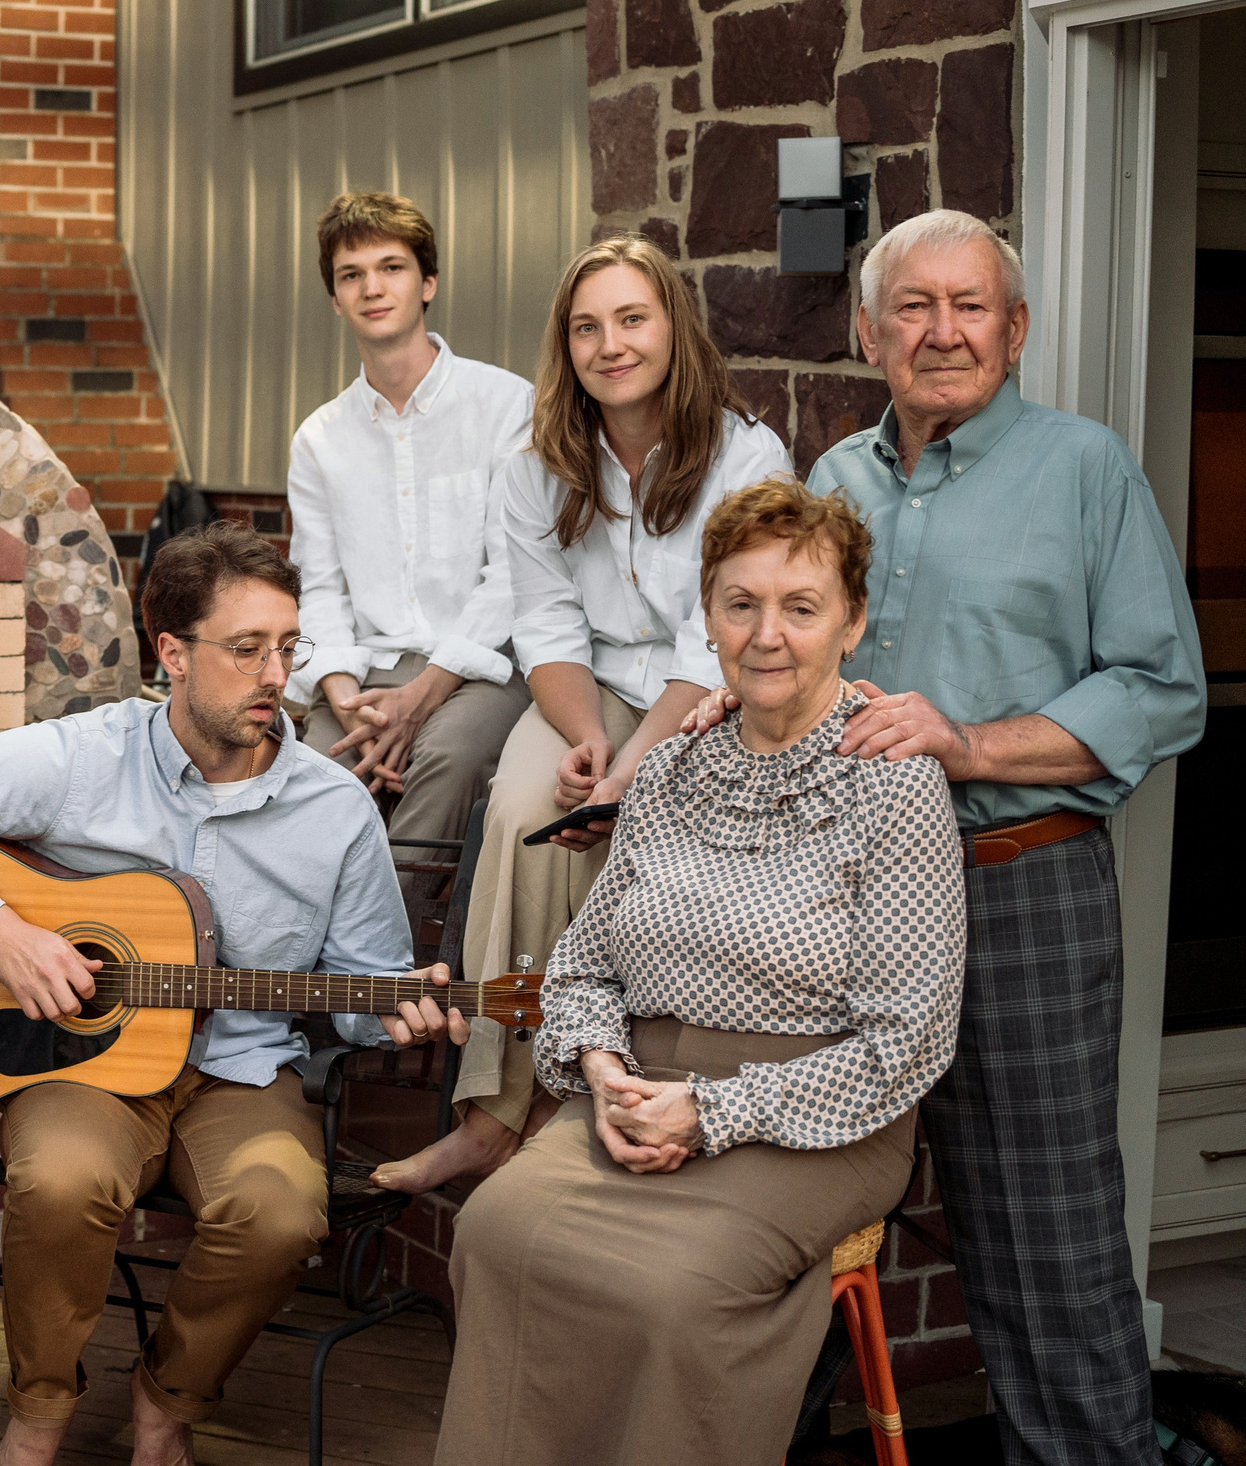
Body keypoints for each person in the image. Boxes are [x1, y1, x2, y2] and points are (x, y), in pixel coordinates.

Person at [683, 210, 1203, 1465]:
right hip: (836, 899)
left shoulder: (1084, 470)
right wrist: (742, 692)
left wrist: (965, 742)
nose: (943, 331)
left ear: (1014, 332)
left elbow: (1161, 687)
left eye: (971, 306)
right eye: (913, 307)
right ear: (868, 332)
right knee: (781, 1211)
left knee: (1044, 1232)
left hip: (1015, 889)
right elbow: (791, 644)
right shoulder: (833, 481)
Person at [0, 524, 468, 1466]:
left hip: (240, 1072)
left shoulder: (336, 807)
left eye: (287, 646)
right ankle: (40, 1407)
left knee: (280, 1212)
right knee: (60, 1179)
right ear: (171, 653)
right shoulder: (82, 757)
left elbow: (363, 987)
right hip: (85, 1067)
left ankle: (168, 1398)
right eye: (245, 649)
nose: (274, 673)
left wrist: (396, 1009)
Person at [431, 477, 966, 1466]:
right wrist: (598, 1070)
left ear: (849, 623)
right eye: (740, 604)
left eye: (800, 608)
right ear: (708, 620)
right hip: (639, 1088)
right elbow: (585, 969)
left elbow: (906, 1043)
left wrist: (714, 1114)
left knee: (671, 1294)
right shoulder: (672, 769)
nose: (767, 634)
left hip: (819, 1118)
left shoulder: (896, 786)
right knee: (497, 1232)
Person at [376, 233, 791, 1196]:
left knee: (630, 824)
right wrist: (587, 738)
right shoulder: (536, 467)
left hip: (713, 696)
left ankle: (594, 1094)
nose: (610, 344)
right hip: (588, 688)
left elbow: (716, 636)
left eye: (632, 319)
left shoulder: (747, 456)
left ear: (674, 330)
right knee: (526, 814)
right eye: (586, 327)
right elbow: (546, 620)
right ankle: (487, 1112)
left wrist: (633, 768)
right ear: (565, 347)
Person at [290, 191, 533, 851]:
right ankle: (309, 952)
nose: (372, 287)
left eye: (391, 267)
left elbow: (512, 574)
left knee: (446, 762)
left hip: (480, 673)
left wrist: (422, 698)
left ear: (428, 282)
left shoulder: (506, 406)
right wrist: (347, 703)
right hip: (362, 677)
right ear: (336, 299)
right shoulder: (318, 439)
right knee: (313, 780)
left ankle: (393, 952)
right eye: (351, 274)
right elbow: (320, 590)